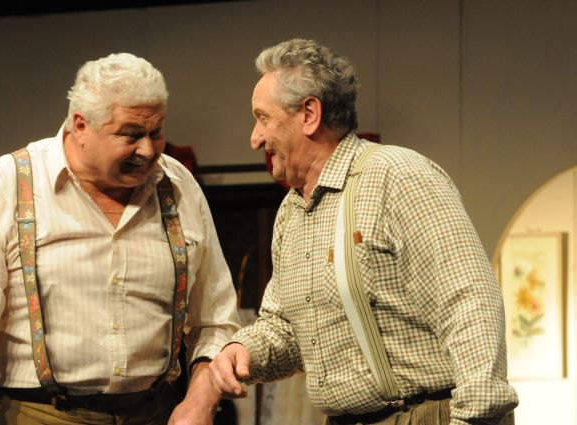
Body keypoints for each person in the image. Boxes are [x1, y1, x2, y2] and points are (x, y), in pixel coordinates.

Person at [208, 39, 519, 425]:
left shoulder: (397, 176)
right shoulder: (292, 211)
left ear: (309, 114)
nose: (255, 138)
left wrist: (477, 415)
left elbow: (468, 300)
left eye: (263, 118)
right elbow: (287, 328)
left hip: (427, 415)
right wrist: (244, 350)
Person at [0, 52, 240, 425]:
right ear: (81, 125)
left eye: (156, 132)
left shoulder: (177, 186)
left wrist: (201, 399)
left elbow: (215, 316)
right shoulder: (10, 184)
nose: (148, 150)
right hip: (39, 414)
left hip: (154, 412)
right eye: (131, 134)